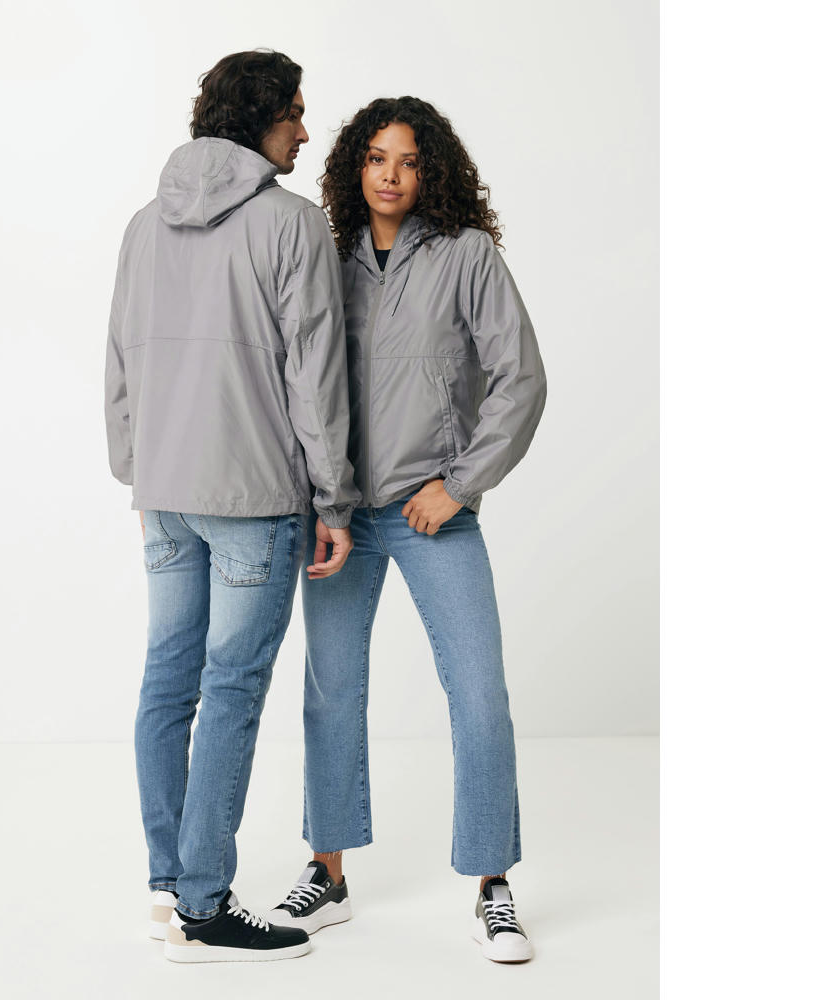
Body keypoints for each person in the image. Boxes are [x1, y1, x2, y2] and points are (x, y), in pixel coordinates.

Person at [267, 97, 547, 964]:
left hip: (432, 515)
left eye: (410, 161)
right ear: (356, 165)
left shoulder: (467, 256)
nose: (391, 176)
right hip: (340, 517)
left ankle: (493, 883)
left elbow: (521, 379)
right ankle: (328, 872)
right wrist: (318, 499)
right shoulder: (326, 256)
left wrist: (459, 487)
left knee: (480, 693)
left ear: (434, 173)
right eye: (377, 158)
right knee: (330, 691)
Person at [104, 49, 360, 964]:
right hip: (254, 495)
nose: (305, 131)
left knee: (167, 681)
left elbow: (120, 359)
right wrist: (334, 498)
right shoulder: (292, 223)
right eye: (295, 113)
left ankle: (168, 886)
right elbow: (315, 379)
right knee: (232, 691)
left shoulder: (144, 224)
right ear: (261, 118)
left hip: (166, 494)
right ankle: (206, 908)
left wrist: (137, 472)